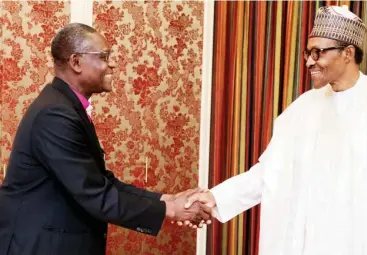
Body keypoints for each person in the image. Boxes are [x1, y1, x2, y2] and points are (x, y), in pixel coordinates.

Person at [184, 6, 367, 255]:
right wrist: (215, 198)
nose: (308, 61)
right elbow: (269, 173)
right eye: (308, 53)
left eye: (318, 53)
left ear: (348, 53)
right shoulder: (304, 109)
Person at [0, 23, 211, 255]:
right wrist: (168, 210)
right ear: (76, 62)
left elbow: (102, 181)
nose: (112, 64)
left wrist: (167, 199)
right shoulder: (55, 114)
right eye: (103, 56)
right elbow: (95, 194)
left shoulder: (65, 106)